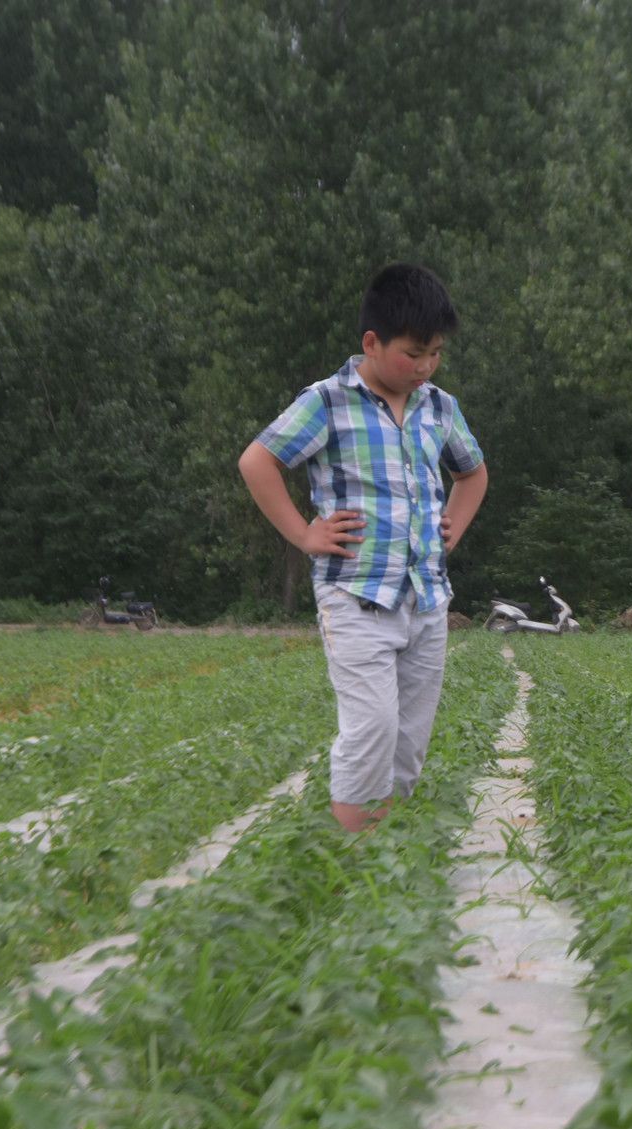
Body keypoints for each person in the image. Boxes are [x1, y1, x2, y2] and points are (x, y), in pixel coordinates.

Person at [238, 263, 489, 832]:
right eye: (413, 353)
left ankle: (383, 843)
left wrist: (452, 525)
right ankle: (353, 860)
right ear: (371, 343)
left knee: (408, 739)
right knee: (372, 726)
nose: (425, 366)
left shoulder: (439, 407)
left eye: (436, 353)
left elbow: (472, 475)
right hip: (355, 595)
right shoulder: (328, 402)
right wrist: (305, 533)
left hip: (426, 599)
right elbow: (258, 461)